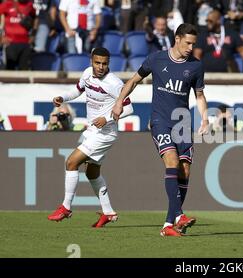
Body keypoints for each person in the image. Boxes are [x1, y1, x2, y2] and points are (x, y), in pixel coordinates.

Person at [111, 23, 209, 237]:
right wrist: (119, 102)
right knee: (172, 162)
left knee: (185, 170)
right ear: (177, 38)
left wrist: (205, 118)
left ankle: (168, 225)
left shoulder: (196, 66)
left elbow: (199, 96)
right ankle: (179, 215)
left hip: (183, 123)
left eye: (194, 43)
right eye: (188, 43)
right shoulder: (156, 59)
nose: (191, 48)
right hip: (160, 121)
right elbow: (134, 81)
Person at [47, 47, 134, 228]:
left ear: (108, 63)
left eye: (104, 63)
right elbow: (78, 90)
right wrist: (62, 97)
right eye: (97, 63)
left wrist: (108, 118)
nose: (101, 67)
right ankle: (109, 212)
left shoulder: (115, 83)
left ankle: (66, 207)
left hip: (106, 133)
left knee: (71, 162)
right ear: (91, 61)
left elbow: (129, 108)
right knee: (91, 173)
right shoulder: (87, 74)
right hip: (93, 131)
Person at [0, 0, 36, 70]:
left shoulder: (29, 4)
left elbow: (35, 18)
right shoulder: (7, 4)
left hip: (25, 43)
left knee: (24, 70)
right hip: (10, 43)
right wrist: (1, 37)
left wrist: (33, 34)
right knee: (9, 70)